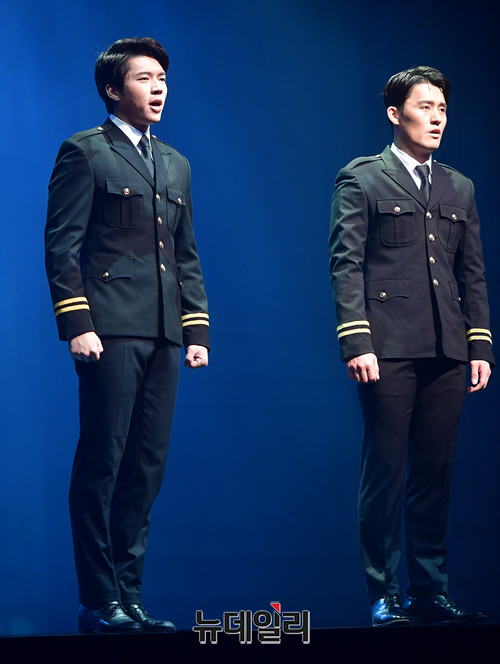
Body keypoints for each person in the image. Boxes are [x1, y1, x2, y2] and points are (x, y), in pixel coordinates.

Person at [45, 37, 210, 634]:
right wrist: (77, 324)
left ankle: (130, 596)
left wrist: (195, 327)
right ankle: (99, 600)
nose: (159, 87)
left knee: (146, 467)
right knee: (102, 464)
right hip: (110, 329)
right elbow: (61, 246)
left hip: (164, 332)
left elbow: (185, 254)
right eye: (145, 78)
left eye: (162, 78)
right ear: (114, 89)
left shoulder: (175, 162)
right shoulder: (86, 152)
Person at [328, 66, 494, 627]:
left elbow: (471, 273)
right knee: (386, 471)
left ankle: (430, 590)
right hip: (387, 347)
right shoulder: (362, 179)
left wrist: (479, 345)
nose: (437, 118)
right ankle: (385, 593)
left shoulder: (458, 187)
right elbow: (346, 265)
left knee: (435, 472)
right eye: (426, 107)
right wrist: (357, 340)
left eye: (442, 109)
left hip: (447, 346)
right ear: (395, 114)